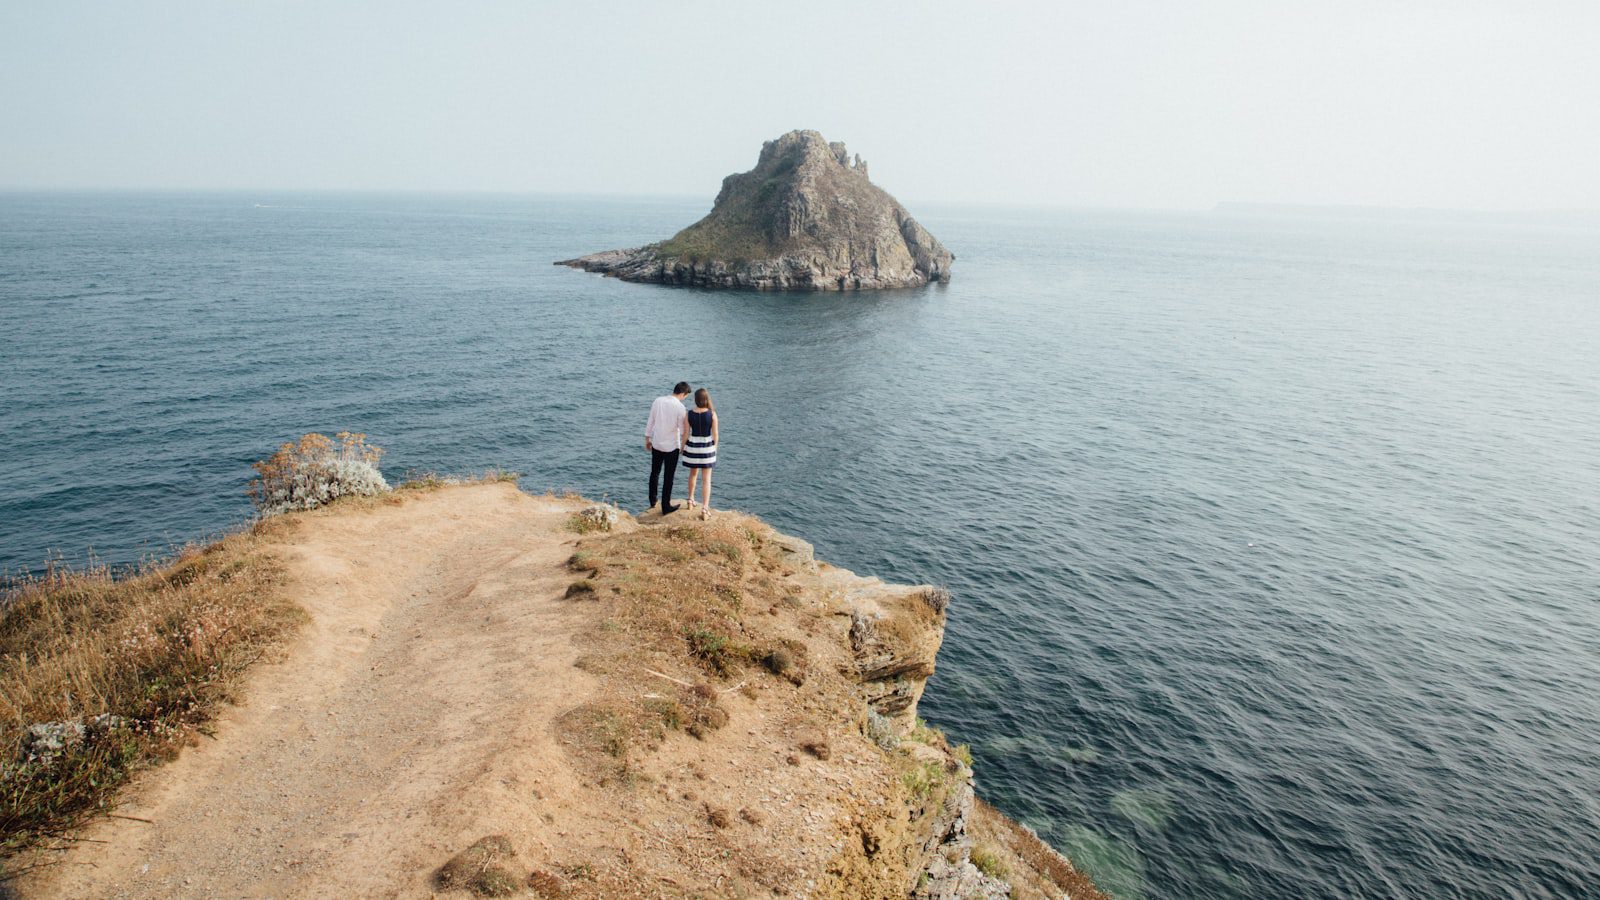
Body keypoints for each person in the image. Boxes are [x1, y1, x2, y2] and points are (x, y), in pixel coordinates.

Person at [645, 381, 691, 514]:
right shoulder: (680, 407)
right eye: (686, 396)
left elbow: (651, 421)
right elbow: (683, 431)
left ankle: (653, 500)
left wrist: (647, 438)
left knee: (654, 472)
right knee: (668, 477)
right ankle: (666, 506)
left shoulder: (658, 401)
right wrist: (683, 446)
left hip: (657, 443)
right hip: (672, 447)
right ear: (683, 394)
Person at [682, 387, 718, 519]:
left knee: (692, 474)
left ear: (696, 400)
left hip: (693, 447)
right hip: (707, 448)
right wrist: (715, 448)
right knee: (706, 480)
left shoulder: (689, 413)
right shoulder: (712, 414)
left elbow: (686, 433)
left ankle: (690, 500)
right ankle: (704, 508)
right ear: (706, 399)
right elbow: (715, 434)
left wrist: (682, 448)